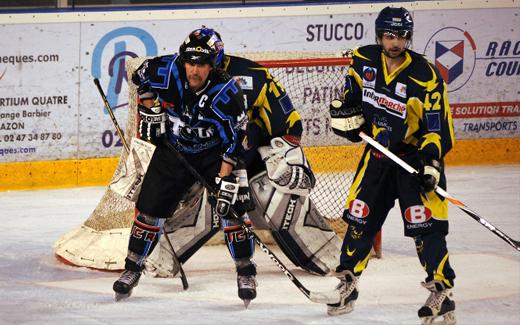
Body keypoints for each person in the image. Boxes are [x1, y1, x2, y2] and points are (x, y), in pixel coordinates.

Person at [142, 27, 341, 307]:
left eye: (204, 63)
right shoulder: (177, 75)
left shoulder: (253, 77)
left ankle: (320, 254)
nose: (196, 70)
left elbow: (290, 125)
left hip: (238, 164)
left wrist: (285, 162)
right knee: (181, 198)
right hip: (196, 160)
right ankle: (158, 253)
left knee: (266, 199)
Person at [327, 6, 456, 325]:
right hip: (378, 156)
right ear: (379, 36)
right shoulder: (363, 60)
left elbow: (438, 128)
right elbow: (351, 102)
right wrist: (346, 120)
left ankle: (441, 292)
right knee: (359, 219)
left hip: (413, 160)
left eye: (401, 36)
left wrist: (431, 165)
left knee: (425, 226)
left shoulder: (425, 76)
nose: (395, 42)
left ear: (409, 38)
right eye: (389, 35)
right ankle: (348, 284)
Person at [112, 28, 248, 301]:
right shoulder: (165, 70)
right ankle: (132, 269)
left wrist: (223, 180)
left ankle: (246, 271)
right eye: (190, 62)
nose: (194, 71)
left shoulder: (228, 94)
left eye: (201, 64)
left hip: (214, 154)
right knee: (149, 212)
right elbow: (141, 77)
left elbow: (236, 141)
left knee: (232, 209)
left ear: (214, 65)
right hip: (173, 150)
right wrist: (150, 108)